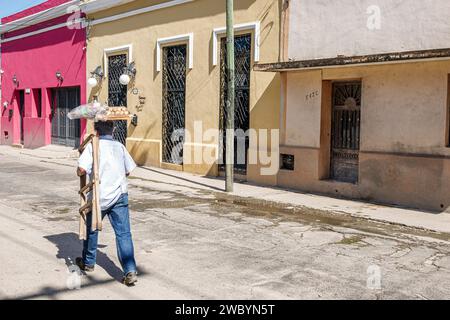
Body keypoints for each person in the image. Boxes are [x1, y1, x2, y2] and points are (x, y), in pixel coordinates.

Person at [75, 121, 138, 286]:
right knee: (124, 234)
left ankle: (88, 263)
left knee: (92, 229)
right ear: (113, 130)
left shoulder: (92, 147)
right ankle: (130, 270)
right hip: (119, 196)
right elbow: (128, 169)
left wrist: (81, 161)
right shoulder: (120, 147)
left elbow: (81, 170)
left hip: (98, 197)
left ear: (95, 131)